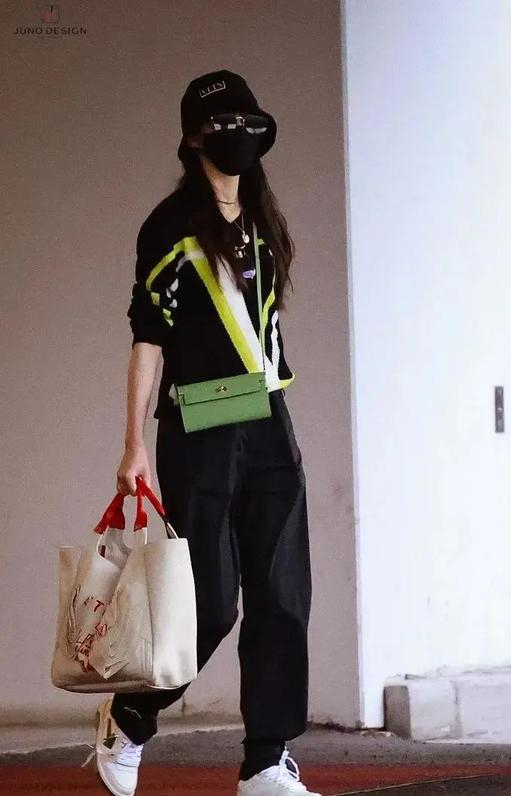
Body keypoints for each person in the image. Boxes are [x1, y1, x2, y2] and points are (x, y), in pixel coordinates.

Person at [83, 69, 319, 796]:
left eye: (246, 122)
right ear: (192, 139)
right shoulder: (168, 227)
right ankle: (129, 715)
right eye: (221, 125)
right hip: (201, 422)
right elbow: (148, 338)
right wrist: (133, 445)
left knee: (282, 596)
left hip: (269, 420)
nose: (236, 135)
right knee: (209, 603)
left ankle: (265, 760)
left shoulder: (263, 222)